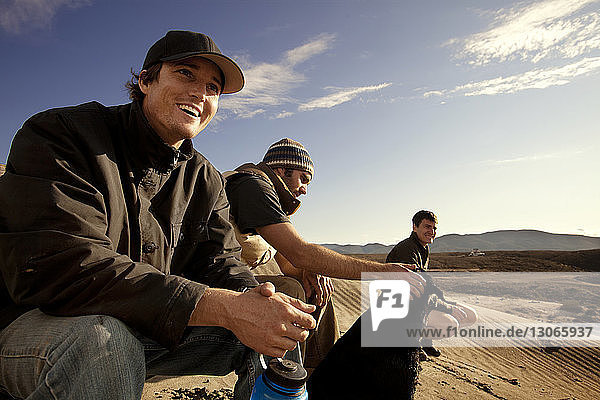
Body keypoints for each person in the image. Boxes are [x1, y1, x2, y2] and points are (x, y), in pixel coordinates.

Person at [0, 31, 320, 400]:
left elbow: (219, 260)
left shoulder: (205, 177)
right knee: (103, 343)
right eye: (186, 74)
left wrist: (254, 300)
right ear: (146, 80)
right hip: (44, 323)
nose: (201, 93)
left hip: (147, 323)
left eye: (213, 87)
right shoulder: (62, 135)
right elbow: (64, 266)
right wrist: (388, 274)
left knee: (278, 325)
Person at [224, 138, 427, 368]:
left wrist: (311, 272)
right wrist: (383, 272)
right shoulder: (252, 185)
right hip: (205, 286)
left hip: (228, 281)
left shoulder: (268, 199)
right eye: (303, 179)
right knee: (290, 291)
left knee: (315, 287)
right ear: (282, 169)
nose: (304, 190)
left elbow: (291, 263)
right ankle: (288, 382)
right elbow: (301, 252)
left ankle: (322, 372)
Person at [387, 210, 477, 358]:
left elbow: (426, 286)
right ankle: (409, 344)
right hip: (399, 306)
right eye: (427, 227)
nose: (432, 231)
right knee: (450, 325)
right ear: (415, 227)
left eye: (434, 228)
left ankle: (425, 340)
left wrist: (445, 302)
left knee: (471, 315)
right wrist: (448, 308)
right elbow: (418, 290)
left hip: (417, 301)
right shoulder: (407, 249)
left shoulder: (423, 247)